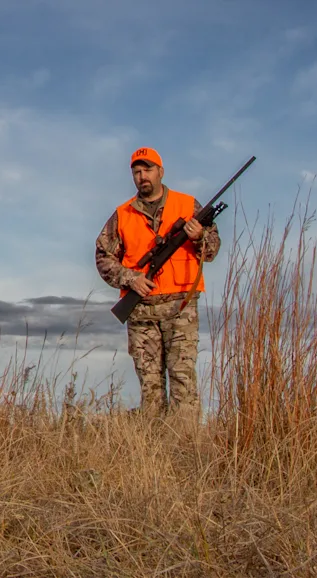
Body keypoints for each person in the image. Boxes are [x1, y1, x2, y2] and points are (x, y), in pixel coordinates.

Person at [95, 147, 221, 418]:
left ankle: (185, 440)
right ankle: (152, 443)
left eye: (148, 170)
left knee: (183, 383)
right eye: (137, 172)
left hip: (180, 308)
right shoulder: (122, 214)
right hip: (141, 311)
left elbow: (211, 251)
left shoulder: (188, 205)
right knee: (150, 388)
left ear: (161, 172)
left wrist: (198, 237)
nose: (142, 176)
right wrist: (131, 278)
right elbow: (103, 257)